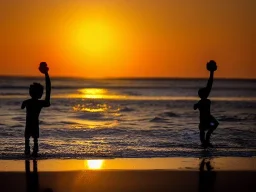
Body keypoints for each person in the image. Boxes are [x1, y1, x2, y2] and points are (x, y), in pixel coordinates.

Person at [21, 62, 51, 156]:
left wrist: (46, 74)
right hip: (35, 124)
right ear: (40, 94)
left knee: (27, 139)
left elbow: (22, 106)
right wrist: (46, 74)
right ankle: (34, 151)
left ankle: (27, 150)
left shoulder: (27, 102)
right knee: (35, 139)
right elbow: (48, 91)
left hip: (28, 124)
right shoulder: (39, 103)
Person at [194, 60, 219, 147]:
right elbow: (195, 106)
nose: (208, 92)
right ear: (202, 94)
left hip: (209, 120)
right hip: (204, 120)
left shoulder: (206, 100)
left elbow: (210, 84)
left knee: (214, 124)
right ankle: (204, 143)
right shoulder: (201, 102)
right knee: (202, 133)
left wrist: (211, 73)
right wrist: (196, 106)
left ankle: (207, 139)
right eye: (206, 92)